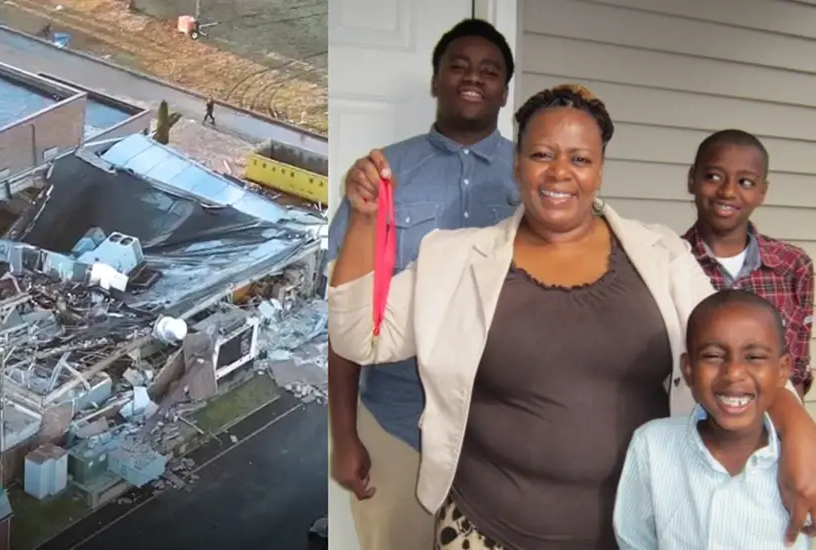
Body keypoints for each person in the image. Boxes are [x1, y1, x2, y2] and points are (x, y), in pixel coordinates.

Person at [328, 83, 816, 549]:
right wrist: (366, 221)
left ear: (599, 172)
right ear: (516, 165)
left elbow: (737, 351)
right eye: (542, 154)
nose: (561, 172)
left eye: (580, 159)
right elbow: (357, 338)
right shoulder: (454, 259)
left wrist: (798, 428)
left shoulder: (660, 253)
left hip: (637, 533)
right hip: (484, 531)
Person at [327, 18, 520, 550]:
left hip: (498, 439)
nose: (472, 77)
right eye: (457, 65)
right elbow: (346, 314)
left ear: (505, 88)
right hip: (396, 425)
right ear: (436, 80)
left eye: (489, 70)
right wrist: (344, 436)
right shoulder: (382, 174)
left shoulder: (531, 180)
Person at [614, 290, 807, 549]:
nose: (734, 373)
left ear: (782, 370)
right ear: (689, 369)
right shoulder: (652, 446)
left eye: (755, 357)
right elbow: (634, 541)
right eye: (714, 356)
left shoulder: (803, 461)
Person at [682, 130, 814, 399]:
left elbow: (797, 367)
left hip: (774, 426)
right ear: (691, 179)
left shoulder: (793, 265)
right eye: (714, 177)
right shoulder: (671, 262)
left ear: (762, 192)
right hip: (691, 427)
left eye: (745, 182)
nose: (728, 191)